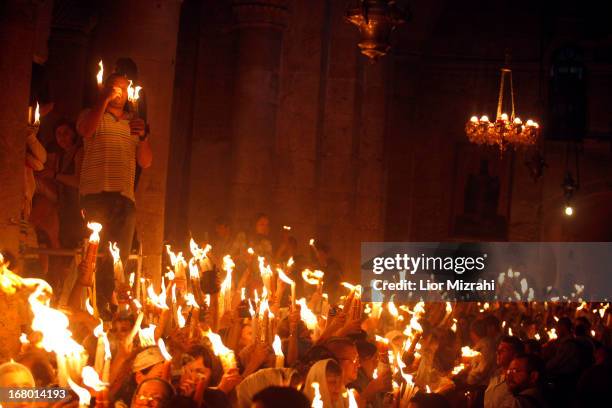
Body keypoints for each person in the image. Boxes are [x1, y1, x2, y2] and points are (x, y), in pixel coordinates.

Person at [76, 72, 152, 319]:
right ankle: (87, 301)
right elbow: (86, 131)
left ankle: (110, 301)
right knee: (93, 251)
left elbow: (146, 161)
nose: (119, 94)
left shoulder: (133, 122)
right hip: (95, 194)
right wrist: (103, 101)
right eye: (114, 88)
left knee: (117, 252)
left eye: (123, 89)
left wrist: (143, 138)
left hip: (124, 197)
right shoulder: (91, 115)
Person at [52, 120, 84, 249]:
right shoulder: (60, 156)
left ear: (74, 134)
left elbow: (79, 181)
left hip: (77, 208)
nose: (62, 137)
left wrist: (54, 175)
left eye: (66, 133)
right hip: (64, 209)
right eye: (58, 134)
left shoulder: (79, 152)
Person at [484, 336, 524, 408]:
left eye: (503, 350)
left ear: (515, 354)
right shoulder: (495, 374)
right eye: (498, 350)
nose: (498, 353)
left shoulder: (517, 380)